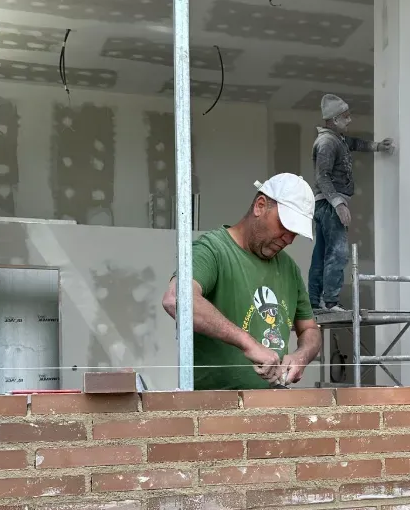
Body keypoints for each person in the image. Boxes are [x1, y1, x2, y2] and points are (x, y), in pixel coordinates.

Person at [162, 174, 322, 391]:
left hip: (274, 404)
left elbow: (309, 329)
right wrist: (249, 344)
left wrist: (301, 356)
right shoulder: (213, 250)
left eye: (295, 234)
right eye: (285, 226)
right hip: (213, 410)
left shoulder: (289, 268)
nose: (289, 239)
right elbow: (176, 299)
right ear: (260, 206)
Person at [309, 93, 394, 314]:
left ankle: (313, 301)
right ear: (334, 120)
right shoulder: (327, 142)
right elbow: (322, 177)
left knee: (321, 253)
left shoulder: (338, 139)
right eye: (345, 117)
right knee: (337, 252)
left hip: (324, 204)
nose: (349, 120)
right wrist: (338, 203)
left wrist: (378, 147)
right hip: (329, 204)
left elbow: (354, 143)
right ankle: (330, 302)